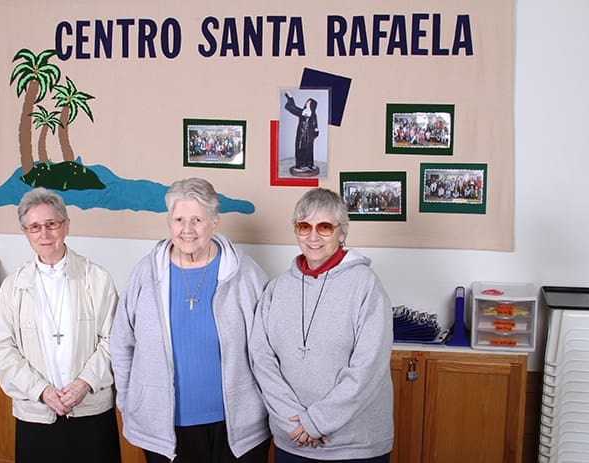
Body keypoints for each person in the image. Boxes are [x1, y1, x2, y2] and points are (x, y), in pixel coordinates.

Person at [110, 177, 271, 463]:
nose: (187, 230)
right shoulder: (145, 274)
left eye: (197, 219)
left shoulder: (246, 273)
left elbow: (268, 349)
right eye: (179, 219)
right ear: (169, 222)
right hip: (164, 427)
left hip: (236, 427)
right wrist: (127, 400)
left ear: (214, 223)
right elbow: (122, 343)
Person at [250, 187, 394, 463]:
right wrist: (293, 421)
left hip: (356, 445)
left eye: (325, 227)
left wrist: (317, 422)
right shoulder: (276, 289)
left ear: (342, 233)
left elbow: (368, 369)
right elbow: (262, 360)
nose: (313, 236)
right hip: (292, 439)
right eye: (304, 226)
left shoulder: (366, 285)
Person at [0, 187, 121, 463]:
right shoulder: (14, 286)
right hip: (36, 412)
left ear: (66, 226)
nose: (44, 234)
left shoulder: (96, 278)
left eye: (51, 224)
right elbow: (2, 349)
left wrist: (84, 383)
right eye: (34, 227)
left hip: (89, 409)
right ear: (26, 233)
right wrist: (42, 391)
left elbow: (114, 341)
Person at [284, 91, 320, 176]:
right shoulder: (302, 112)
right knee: (300, 148)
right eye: (307, 102)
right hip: (301, 134)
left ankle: (309, 165)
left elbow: (315, 123)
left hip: (309, 135)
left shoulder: (314, 115)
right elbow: (292, 108)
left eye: (310, 103)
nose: (307, 103)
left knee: (309, 150)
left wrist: (316, 130)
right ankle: (300, 166)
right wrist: (290, 98)